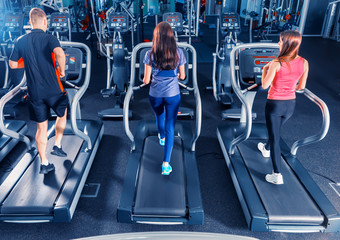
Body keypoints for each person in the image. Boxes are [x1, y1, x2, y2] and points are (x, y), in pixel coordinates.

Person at [9, 8, 68, 174]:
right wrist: (62, 70)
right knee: (62, 115)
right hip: (54, 90)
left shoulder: (21, 40)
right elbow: (60, 54)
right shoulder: (50, 38)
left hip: (35, 93)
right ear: (44, 22)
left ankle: (44, 163)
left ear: (30, 22)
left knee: (41, 128)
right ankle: (57, 145)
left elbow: (12, 65)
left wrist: (26, 64)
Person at [258, 30, 309, 185]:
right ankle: (265, 149)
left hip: (275, 105)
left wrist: (264, 70)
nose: (278, 43)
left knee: (275, 139)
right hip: (290, 106)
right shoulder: (304, 62)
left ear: (286, 44)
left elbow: (265, 85)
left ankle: (277, 174)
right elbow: (301, 87)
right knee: (276, 131)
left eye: (280, 41)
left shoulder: (276, 63)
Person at [143, 22, 186, 175]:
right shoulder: (179, 52)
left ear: (156, 37)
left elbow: (146, 81)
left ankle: (161, 136)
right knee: (170, 126)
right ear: (171, 36)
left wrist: (145, 79)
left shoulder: (150, 54)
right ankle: (166, 164)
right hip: (173, 95)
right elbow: (183, 76)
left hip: (155, 95)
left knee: (159, 116)